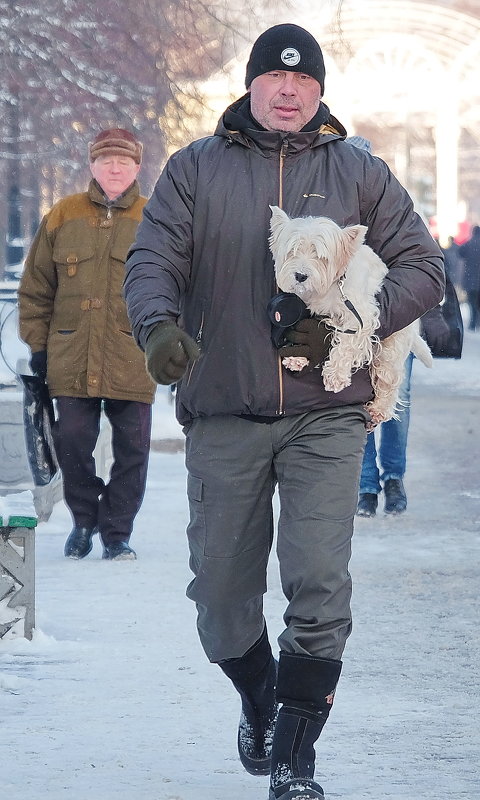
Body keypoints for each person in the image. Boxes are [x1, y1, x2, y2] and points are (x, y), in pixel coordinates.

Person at [124, 24, 444, 800]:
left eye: (304, 82)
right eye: (276, 79)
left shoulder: (360, 172)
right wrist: (158, 327)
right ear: (253, 83)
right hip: (225, 406)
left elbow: (426, 268)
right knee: (221, 599)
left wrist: (353, 319)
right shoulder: (194, 169)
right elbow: (153, 259)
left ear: (321, 92)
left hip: (326, 413)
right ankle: (260, 697)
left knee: (319, 584)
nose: (290, 91)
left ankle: (296, 762)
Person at [18, 128, 155, 562]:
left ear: (137, 167)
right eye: (106, 160)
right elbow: (36, 287)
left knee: (133, 449)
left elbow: (174, 287)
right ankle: (83, 521)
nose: (115, 168)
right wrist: (38, 346)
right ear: (92, 165)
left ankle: (117, 533)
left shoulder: (155, 218)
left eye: (124, 161)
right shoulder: (63, 214)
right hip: (70, 353)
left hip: (133, 355)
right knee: (73, 440)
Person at [458, 225, 480, 331]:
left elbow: (460, 252)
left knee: (472, 302)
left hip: (471, 279)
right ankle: (478, 322)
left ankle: (472, 323)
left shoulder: (470, 243)